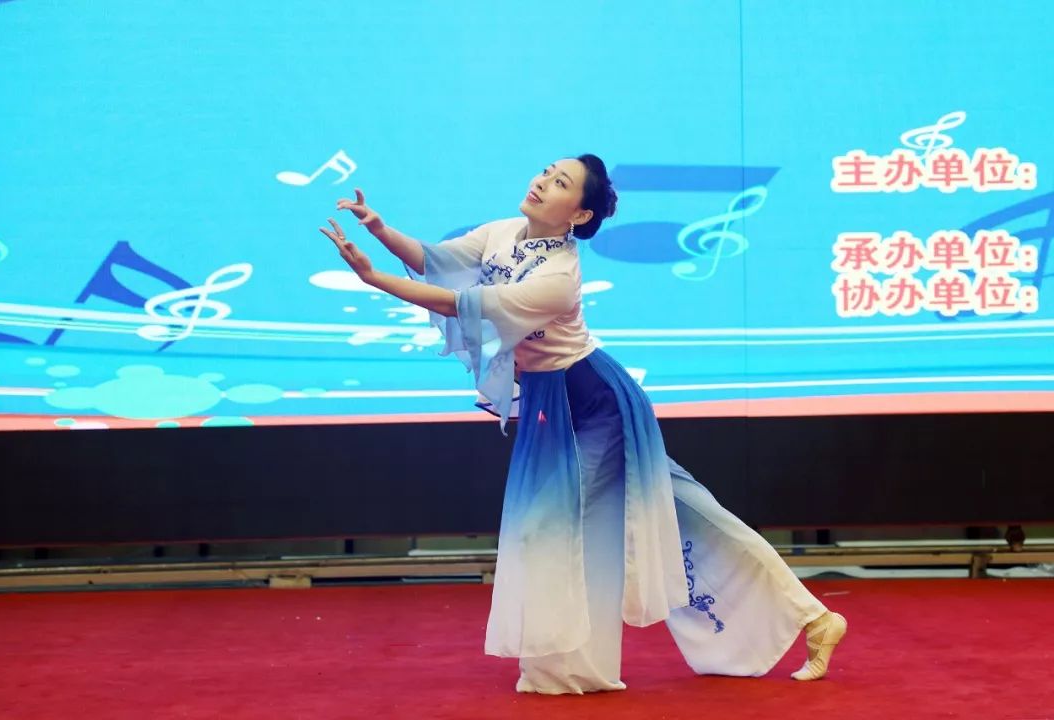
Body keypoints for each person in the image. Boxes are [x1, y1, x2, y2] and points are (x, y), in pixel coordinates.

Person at [319, 154, 847, 695]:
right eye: (546, 173)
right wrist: (380, 230)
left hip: (600, 406)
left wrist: (373, 278)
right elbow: (435, 259)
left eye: (560, 183)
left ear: (579, 214)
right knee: (684, 512)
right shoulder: (503, 232)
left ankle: (568, 666)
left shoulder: (558, 276)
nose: (542, 183)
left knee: (562, 526)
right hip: (558, 404)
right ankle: (814, 618)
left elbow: (459, 303)